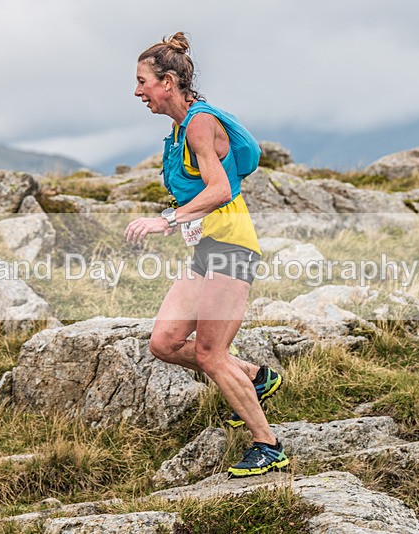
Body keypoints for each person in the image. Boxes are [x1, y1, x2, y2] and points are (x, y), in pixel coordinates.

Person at [124, 32, 289, 478]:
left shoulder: (199, 123)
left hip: (231, 246)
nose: (137, 91)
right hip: (206, 250)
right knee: (165, 343)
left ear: (169, 81)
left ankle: (268, 444)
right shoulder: (179, 128)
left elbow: (219, 189)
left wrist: (168, 219)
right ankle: (255, 378)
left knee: (212, 354)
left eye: (143, 82)